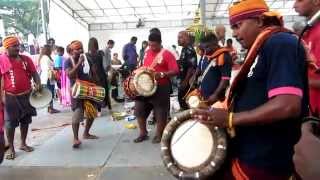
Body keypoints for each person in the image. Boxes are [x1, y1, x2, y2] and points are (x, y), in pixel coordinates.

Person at [191, 0, 308, 179]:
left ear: (260, 21)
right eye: (233, 28)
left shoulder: (280, 42)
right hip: (248, 149)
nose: (235, 34)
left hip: (264, 158)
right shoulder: (263, 47)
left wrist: (231, 118)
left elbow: (288, 105)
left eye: (238, 25)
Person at [0, 36, 41, 160]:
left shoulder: (26, 59)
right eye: (14, 46)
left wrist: (38, 83)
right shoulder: (2, 61)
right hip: (10, 97)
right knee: (10, 124)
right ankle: (11, 148)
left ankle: (23, 143)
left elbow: (34, 73)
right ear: (7, 48)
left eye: (18, 45)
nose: (18, 48)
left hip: (27, 95)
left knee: (25, 120)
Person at [134, 33, 179, 144]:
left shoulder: (168, 54)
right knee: (139, 109)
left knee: (160, 112)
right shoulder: (147, 52)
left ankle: (159, 135)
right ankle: (143, 133)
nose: (151, 48)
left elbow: (175, 70)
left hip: (161, 86)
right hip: (145, 86)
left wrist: (162, 74)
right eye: (150, 45)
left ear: (160, 43)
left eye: (154, 45)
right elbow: (143, 64)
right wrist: (138, 71)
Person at [64, 40, 99, 148]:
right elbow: (70, 75)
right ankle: (75, 138)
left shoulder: (87, 59)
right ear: (71, 50)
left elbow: (92, 74)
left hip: (88, 88)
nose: (80, 50)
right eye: (77, 49)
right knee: (78, 113)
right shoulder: (68, 61)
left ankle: (86, 133)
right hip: (77, 90)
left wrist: (95, 76)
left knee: (92, 112)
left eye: (81, 48)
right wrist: (79, 62)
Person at [294, 0, 320, 117]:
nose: (295, 5)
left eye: (299, 0)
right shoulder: (310, 31)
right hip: (313, 110)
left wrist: (298, 81)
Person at [196, 33, 232, 106]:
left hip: (216, 97)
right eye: (204, 48)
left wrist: (215, 94)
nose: (205, 50)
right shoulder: (207, 55)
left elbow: (225, 79)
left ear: (215, 44)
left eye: (207, 47)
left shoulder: (224, 56)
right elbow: (205, 74)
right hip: (204, 95)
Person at [86, 37, 108, 116]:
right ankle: (99, 109)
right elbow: (104, 65)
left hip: (92, 76)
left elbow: (87, 67)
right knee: (100, 92)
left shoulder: (87, 55)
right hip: (101, 74)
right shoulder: (100, 53)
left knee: (93, 93)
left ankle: (95, 109)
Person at [177, 31, 197, 110]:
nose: (178, 40)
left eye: (180, 37)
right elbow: (184, 63)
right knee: (182, 99)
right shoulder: (184, 49)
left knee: (186, 101)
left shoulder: (189, 49)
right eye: (178, 38)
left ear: (186, 38)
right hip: (183, 79)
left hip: (187, 82)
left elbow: (191, 67)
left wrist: (185, 81)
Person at [39, 45, 60, 114]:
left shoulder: (45, 57)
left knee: (50, 93)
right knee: (49, 93)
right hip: (47, 77)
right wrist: (54, 70)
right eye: (50, 49)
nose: (51, 51)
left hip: (48, 77)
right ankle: (50, 108)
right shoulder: (45, 58)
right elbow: (47, 68)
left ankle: (50, 108)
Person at [102, 40, 115, 110]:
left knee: (108, 86)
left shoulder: (108, 50)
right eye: (113, 45)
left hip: (107, 68)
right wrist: (107, 68)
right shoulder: (105, 50)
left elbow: (108, 60)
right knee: (106, 86)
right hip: (105, 69)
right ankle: (105, 102)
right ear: (110, 44)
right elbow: (104, 60)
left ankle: (107, 101)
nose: (113, 46)